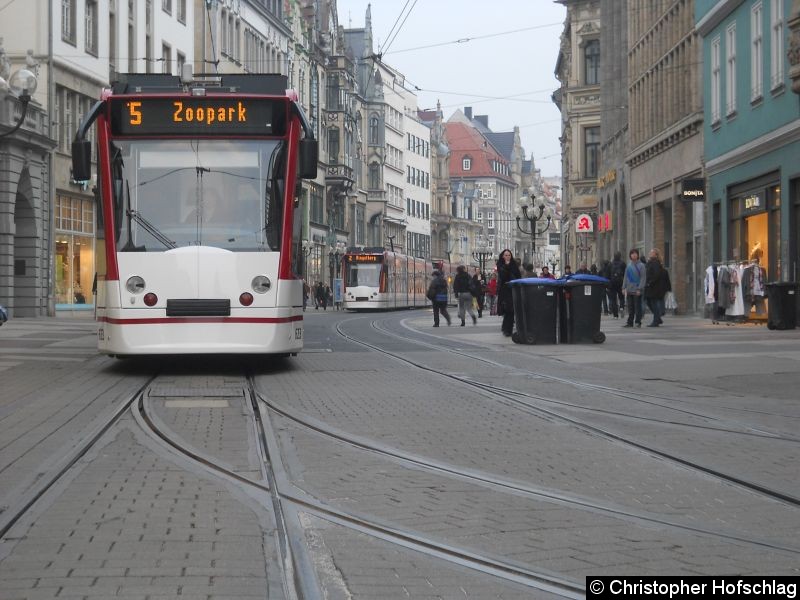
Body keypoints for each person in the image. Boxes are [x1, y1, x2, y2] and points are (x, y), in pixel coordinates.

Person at [496, 249, 521, 337]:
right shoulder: (500, 265)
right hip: (504, 290)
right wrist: (507, 266)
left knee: (511, 310)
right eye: (506, 255)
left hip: (513, 289)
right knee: (507, 310)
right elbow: (503, 276)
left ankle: (507, 329)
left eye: (509, 255)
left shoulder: (514, 265)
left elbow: (518, 276)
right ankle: (506, 329)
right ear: (503, 256)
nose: (507, 257)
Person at [644, 248, 670, 327]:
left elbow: (656, 274)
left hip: (654, 287)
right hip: (650, 286)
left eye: (652, 252)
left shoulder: (655, 263)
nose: (650, 253)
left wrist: (650, 282)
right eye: (650, 252)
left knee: (653, 303)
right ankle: (658, 318)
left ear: (656, 255)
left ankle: (656, 320)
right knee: (649, 301)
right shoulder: (650, 262)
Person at [623, 248, 646, 328]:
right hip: (629, 290)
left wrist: (640, 289)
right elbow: (625, 277)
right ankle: (630, 322)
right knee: (630, 307)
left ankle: (638, 322)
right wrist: (623, 287)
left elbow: (643, 278)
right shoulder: (628, 266)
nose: (634, 255)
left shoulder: (641, 266)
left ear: (638, 255)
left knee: (637, 307)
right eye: (632, 253)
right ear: (630, 255)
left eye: (635, 253)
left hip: (637, 290)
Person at [608, 251, 626, 319]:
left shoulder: (610, 264)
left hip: (612, 283)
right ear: (620, 256)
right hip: (620, 282)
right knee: (621, 297)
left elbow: (608, 274)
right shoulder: (623, 263)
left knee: (613, 299)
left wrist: (608, 284)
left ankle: (615, 315)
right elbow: (625, 273)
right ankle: (621, 307)